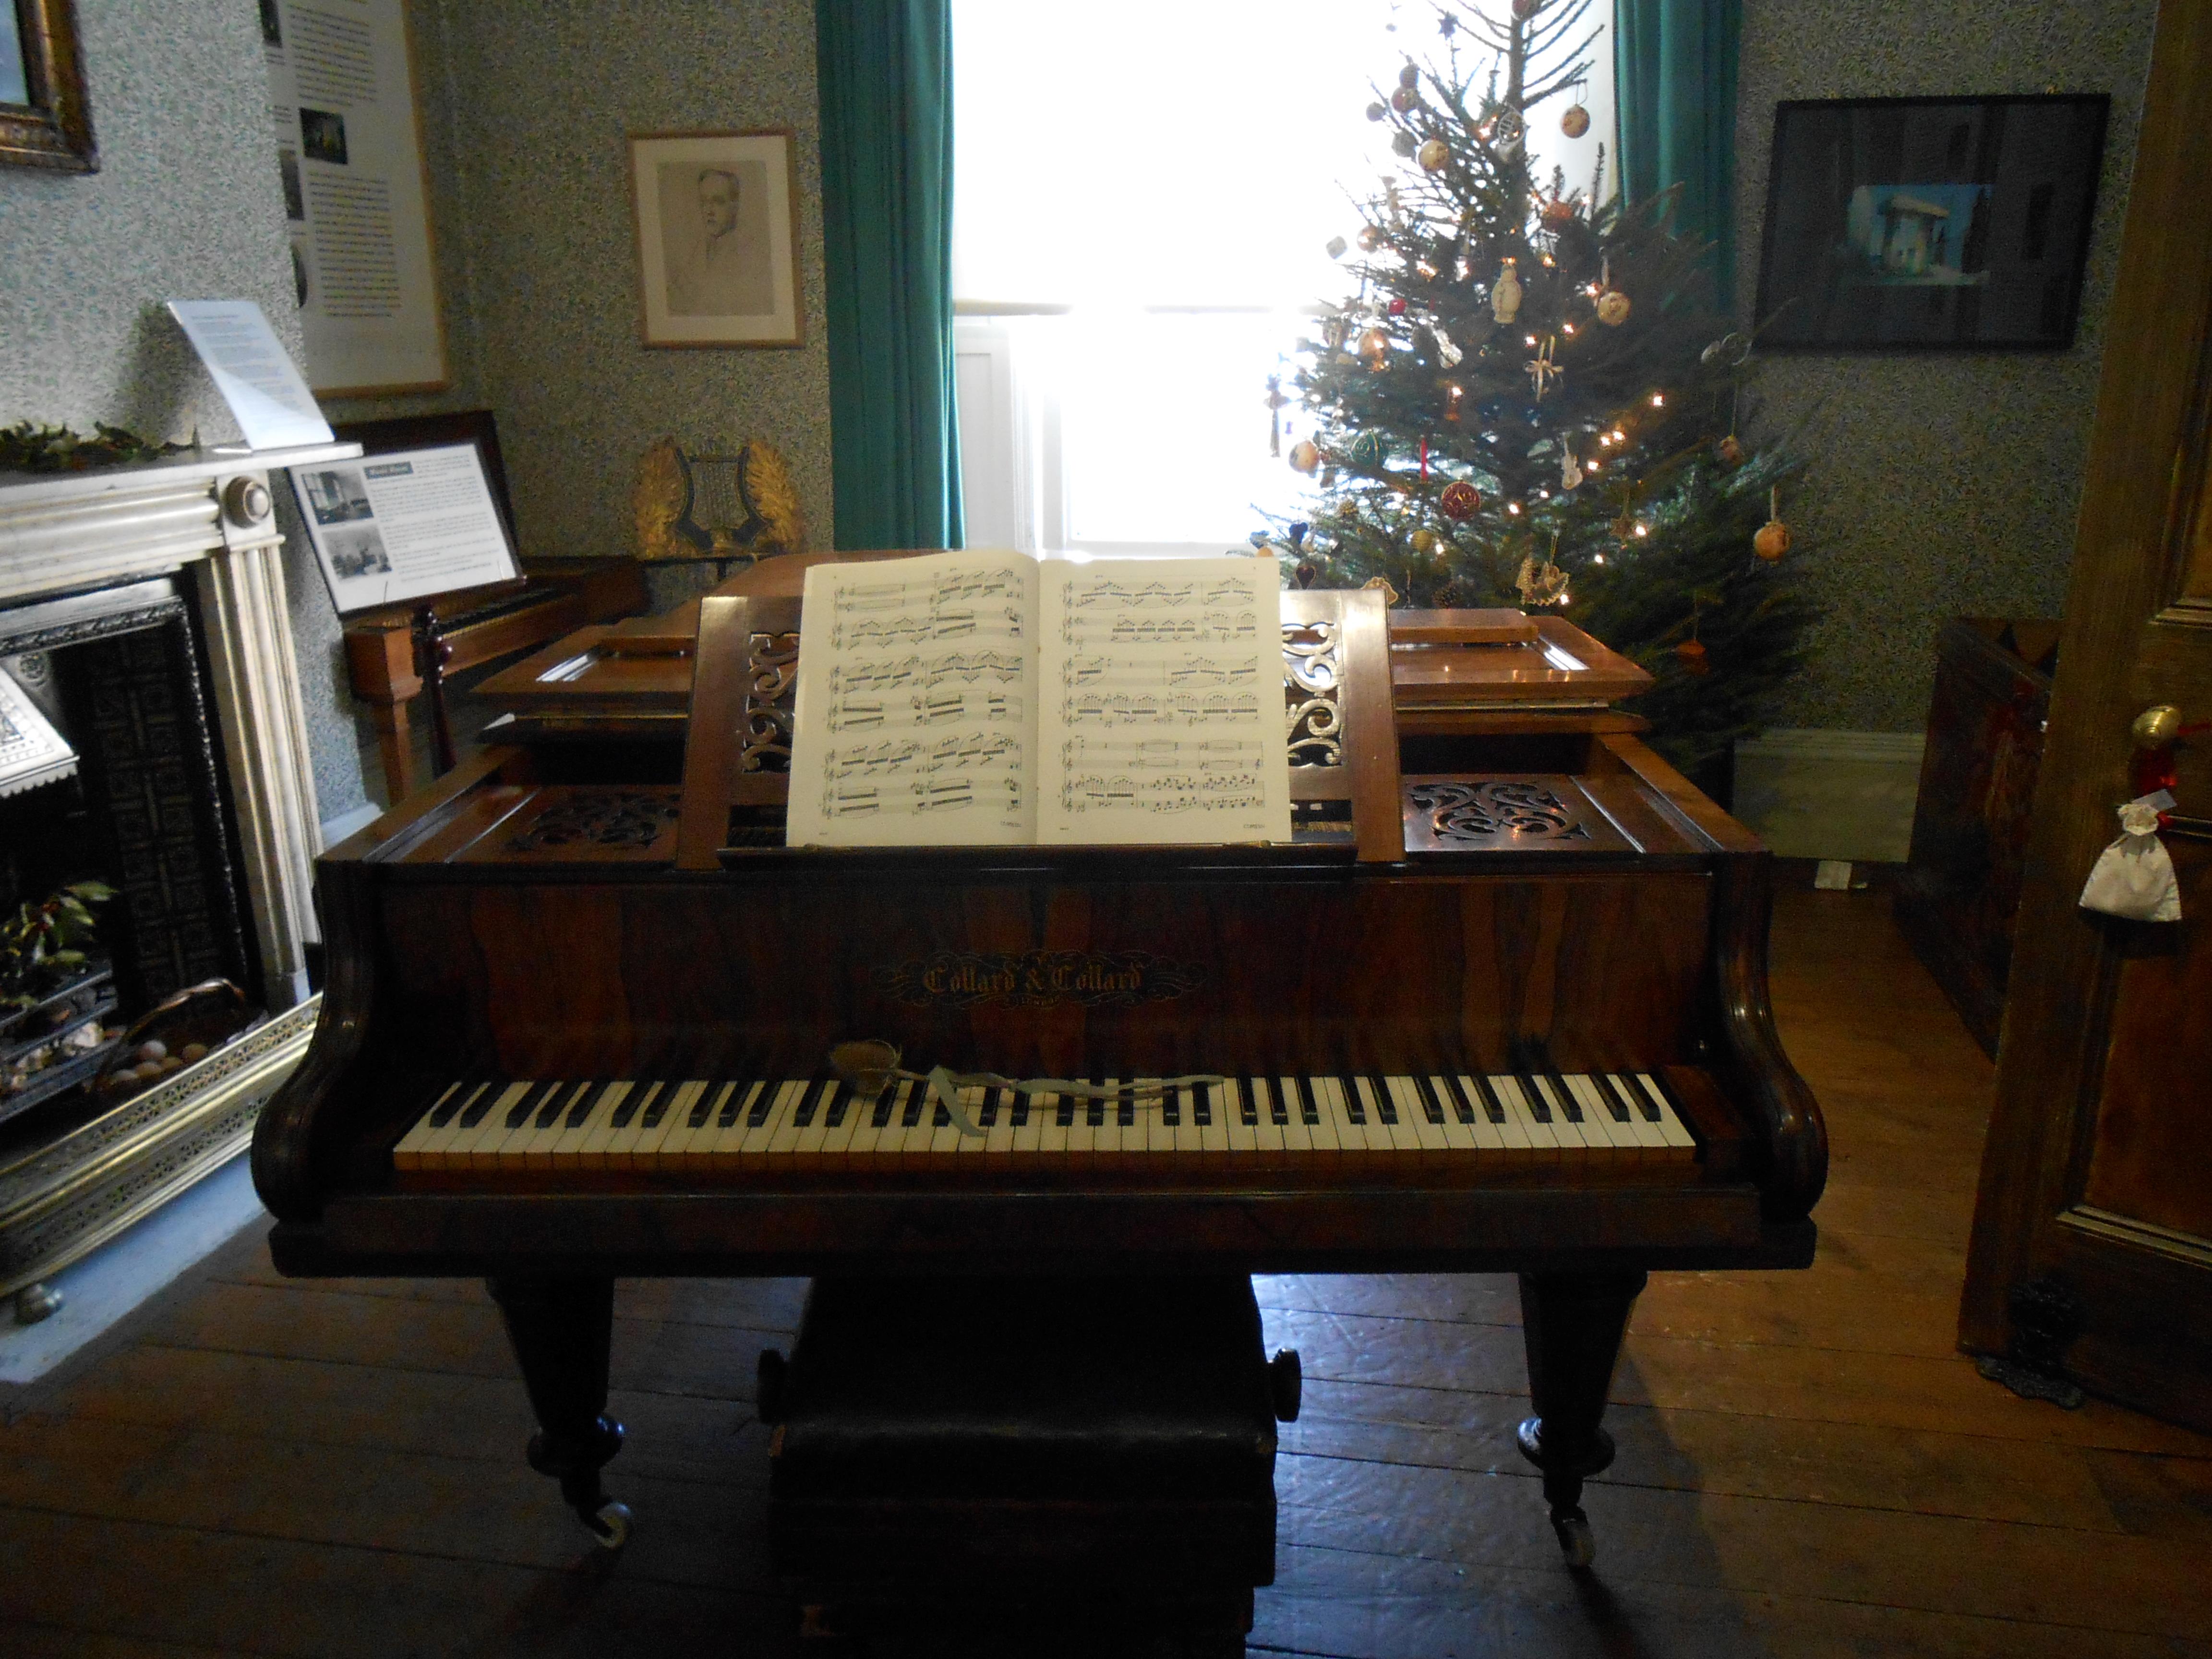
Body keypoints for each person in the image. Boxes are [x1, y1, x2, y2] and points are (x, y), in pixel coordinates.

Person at [664, 166, 770, 317]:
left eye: (718, 202)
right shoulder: (698, 252)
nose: (709, 211)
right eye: (704, 202)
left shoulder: (752, 255)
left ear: (735, 206)